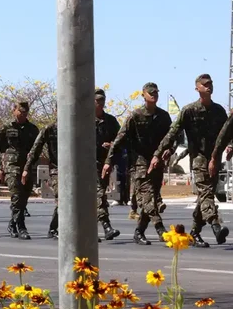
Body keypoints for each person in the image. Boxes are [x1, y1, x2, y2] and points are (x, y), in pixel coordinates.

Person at [153, 74, 229, 247]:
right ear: (197, 88)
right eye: (204, 84)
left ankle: (194, 233)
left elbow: (227, 132)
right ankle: (216, 226)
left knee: (204, 197)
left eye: (210, 84)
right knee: (207, 193)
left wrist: (230, 146)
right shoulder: (189, 111)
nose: (208, 86)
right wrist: (159, 153)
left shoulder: (219, 111)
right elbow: (173, 133)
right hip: (199, 160)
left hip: (215, 159)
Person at [103, 83, 171, 245]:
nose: (154, 95)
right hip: (139, 164)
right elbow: (119, 139)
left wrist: (170, 149)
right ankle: (161, 229)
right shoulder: (135, 116)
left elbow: (171, 137)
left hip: (157, 163)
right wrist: (108, 161)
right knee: (148, 198)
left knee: (151, 198)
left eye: (156, 93)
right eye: (150, 93)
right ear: (144, 95)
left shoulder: (164, 116)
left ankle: (139, 232)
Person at [0, 101, 40, 240]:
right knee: (16, 196)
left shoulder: (33, 129)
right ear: (14, 111)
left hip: (27, 166)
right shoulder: (6, 128)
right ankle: (21, 227)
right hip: (11, 166)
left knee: (24, 198)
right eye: (20, 111)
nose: (22, 114)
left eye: (25, 112)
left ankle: (12, 224)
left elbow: (36, 149)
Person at [94, 88, 122, 241]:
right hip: (86, 165)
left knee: (97, 197)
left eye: (102, 100)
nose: (100, 103)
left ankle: (90, 230)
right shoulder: (83, 120)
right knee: (99, 196)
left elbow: (120, 142)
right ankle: (106, 226)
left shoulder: (110, 121)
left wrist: (111, 145)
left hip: (104, 165)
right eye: (98, 100)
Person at [24, 120, 58, 238]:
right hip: (57, 170)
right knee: (63, 199)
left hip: (77, 170)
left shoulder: (80, 126)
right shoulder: (49, 129)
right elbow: (36, 149)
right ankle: (54, 228)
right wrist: (27, 168)